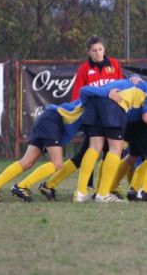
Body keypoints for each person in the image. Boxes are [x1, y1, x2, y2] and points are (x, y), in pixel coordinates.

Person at [39, 35, 123, 199]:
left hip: (111, 115)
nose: (98, 53)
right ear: (88, 52)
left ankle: (98, 190)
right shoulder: (84, 69)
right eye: (94, 50)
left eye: (100, 49)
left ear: (104, 49)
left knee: (96, 154)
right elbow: (79, 95)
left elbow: (121, 88)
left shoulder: (114, 64)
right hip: (94, 116)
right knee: (96, 152)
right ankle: (98, 191)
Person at [0, 100, 84, 202]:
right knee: (57, 163)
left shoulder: (91, 105)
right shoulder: (92, 100)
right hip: (52, 121)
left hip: (46, 119)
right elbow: (85, 91)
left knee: (26, 162)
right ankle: (22, 186)